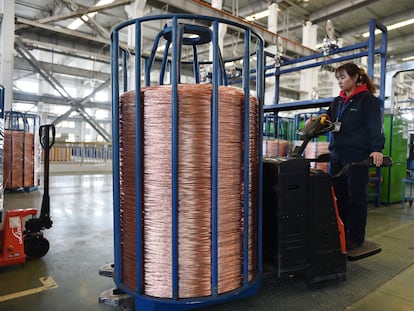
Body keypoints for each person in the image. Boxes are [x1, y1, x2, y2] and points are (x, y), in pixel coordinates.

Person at [325, 62, 385, 251]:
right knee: (339, 197)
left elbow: (375, 126)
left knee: (356, 198)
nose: (340, 82)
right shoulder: (337, 101)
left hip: (357, 158)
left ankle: (356, 237)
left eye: (343, 77)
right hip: (337, 156)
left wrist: (376, 149)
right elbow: (327, 119)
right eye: (338, 79)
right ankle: (341, 233)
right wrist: (316, 122)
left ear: (356, 77)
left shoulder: (368, 100)